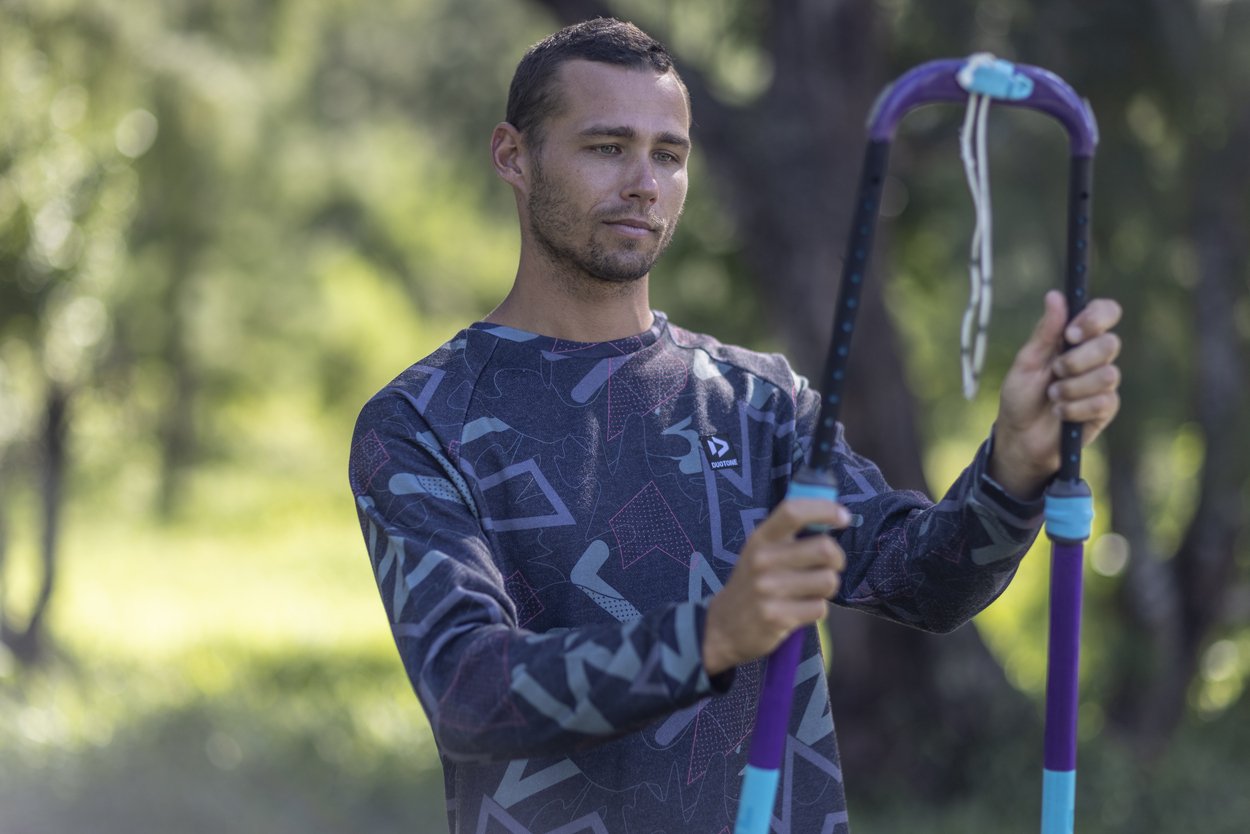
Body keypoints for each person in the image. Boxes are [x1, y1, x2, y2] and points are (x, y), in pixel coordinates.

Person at [348, 18, 1122, 834]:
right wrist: (713, 636)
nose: (644, 184)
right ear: (513, 155)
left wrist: (1015, 468)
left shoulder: (758, 401)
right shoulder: (423, 420)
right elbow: (468, 692)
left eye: (668, 155)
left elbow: (927, 582)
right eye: (606, 148)